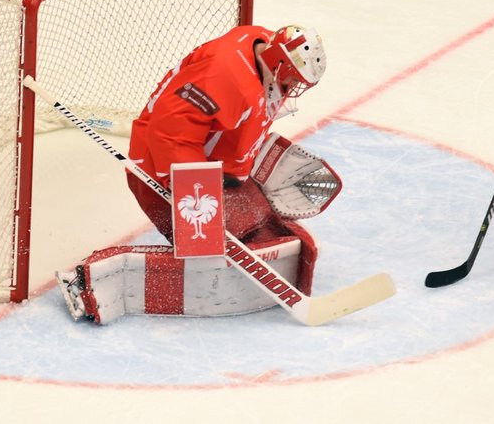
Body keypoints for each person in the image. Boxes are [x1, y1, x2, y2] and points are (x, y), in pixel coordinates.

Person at [56, 24, 340, 324]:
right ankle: (95, 279)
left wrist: (251, 162)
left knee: (266, 234)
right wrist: (193, 192)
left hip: (213, 165)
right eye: (292, 77)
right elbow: (169, 134)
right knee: (209, 255)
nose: (294, 85)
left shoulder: (264, 51)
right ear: (278, 61)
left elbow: (236, 117)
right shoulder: (223, 76)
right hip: (161, 167)